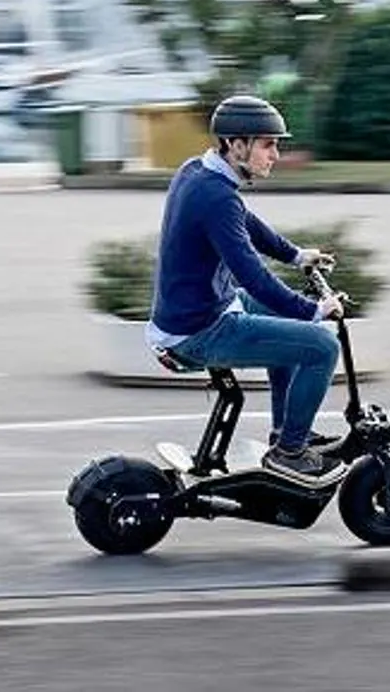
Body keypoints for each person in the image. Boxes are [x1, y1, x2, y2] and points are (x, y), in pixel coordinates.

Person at [145, 94, 347, 487]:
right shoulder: (216, 198)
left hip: (200, 313)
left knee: (287, 321)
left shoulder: (197, 172)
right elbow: (253, 277)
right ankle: (290, 452)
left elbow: (247, 222)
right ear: (236, 145)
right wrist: (314, 311)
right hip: (199, 332)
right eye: (268, 144)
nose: (275, 154)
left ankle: (285, 433)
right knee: (323, 347)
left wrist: (296, 255)